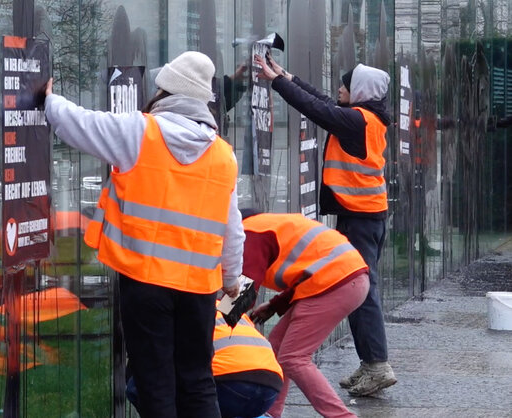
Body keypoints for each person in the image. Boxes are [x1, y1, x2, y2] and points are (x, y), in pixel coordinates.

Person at [44, 51, 245, 417]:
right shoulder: (223, 156)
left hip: (145, 284)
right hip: (199, 289)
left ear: (165, 90)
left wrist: (48, 98)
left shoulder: (141, 132)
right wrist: (231, 278)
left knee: (155, 383)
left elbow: (81, 124)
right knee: (198, 381)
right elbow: (233, 229)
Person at [254, 54, 397, 397]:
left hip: (361, 217)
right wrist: (288, 76)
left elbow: (316, 109)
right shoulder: (364, 118)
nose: (338, 89)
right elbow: (321, 100)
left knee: (361, 289)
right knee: (360, 287)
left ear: (359, 91)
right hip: (364, 214)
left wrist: (277, 84)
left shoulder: (358, 121)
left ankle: (377, 365)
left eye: (344, 85)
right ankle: (370, 363)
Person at [243, 211, 369, 417]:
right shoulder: (269, 224)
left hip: (335, 281)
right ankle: (269, 413)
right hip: (345, 278)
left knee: (294, 357)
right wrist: (275, 305)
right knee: (276, 346)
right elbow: (308, 270)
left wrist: (219, 320)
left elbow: (243, 292)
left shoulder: (250, 231)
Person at [126, 308, 282, 418]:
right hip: (271, 389)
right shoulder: (225, 306)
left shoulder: (177, 308)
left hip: (227, 384)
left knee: (138, 387)